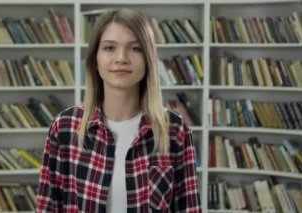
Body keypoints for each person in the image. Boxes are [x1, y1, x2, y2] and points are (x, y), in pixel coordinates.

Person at [36, 8, 201, 213]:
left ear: (148, 60)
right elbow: (48, 208)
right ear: (95, 59)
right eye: (109, 48)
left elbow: (189, 209)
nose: (121, 58)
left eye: (135, 49)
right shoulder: (65, 127)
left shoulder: (175, 130)